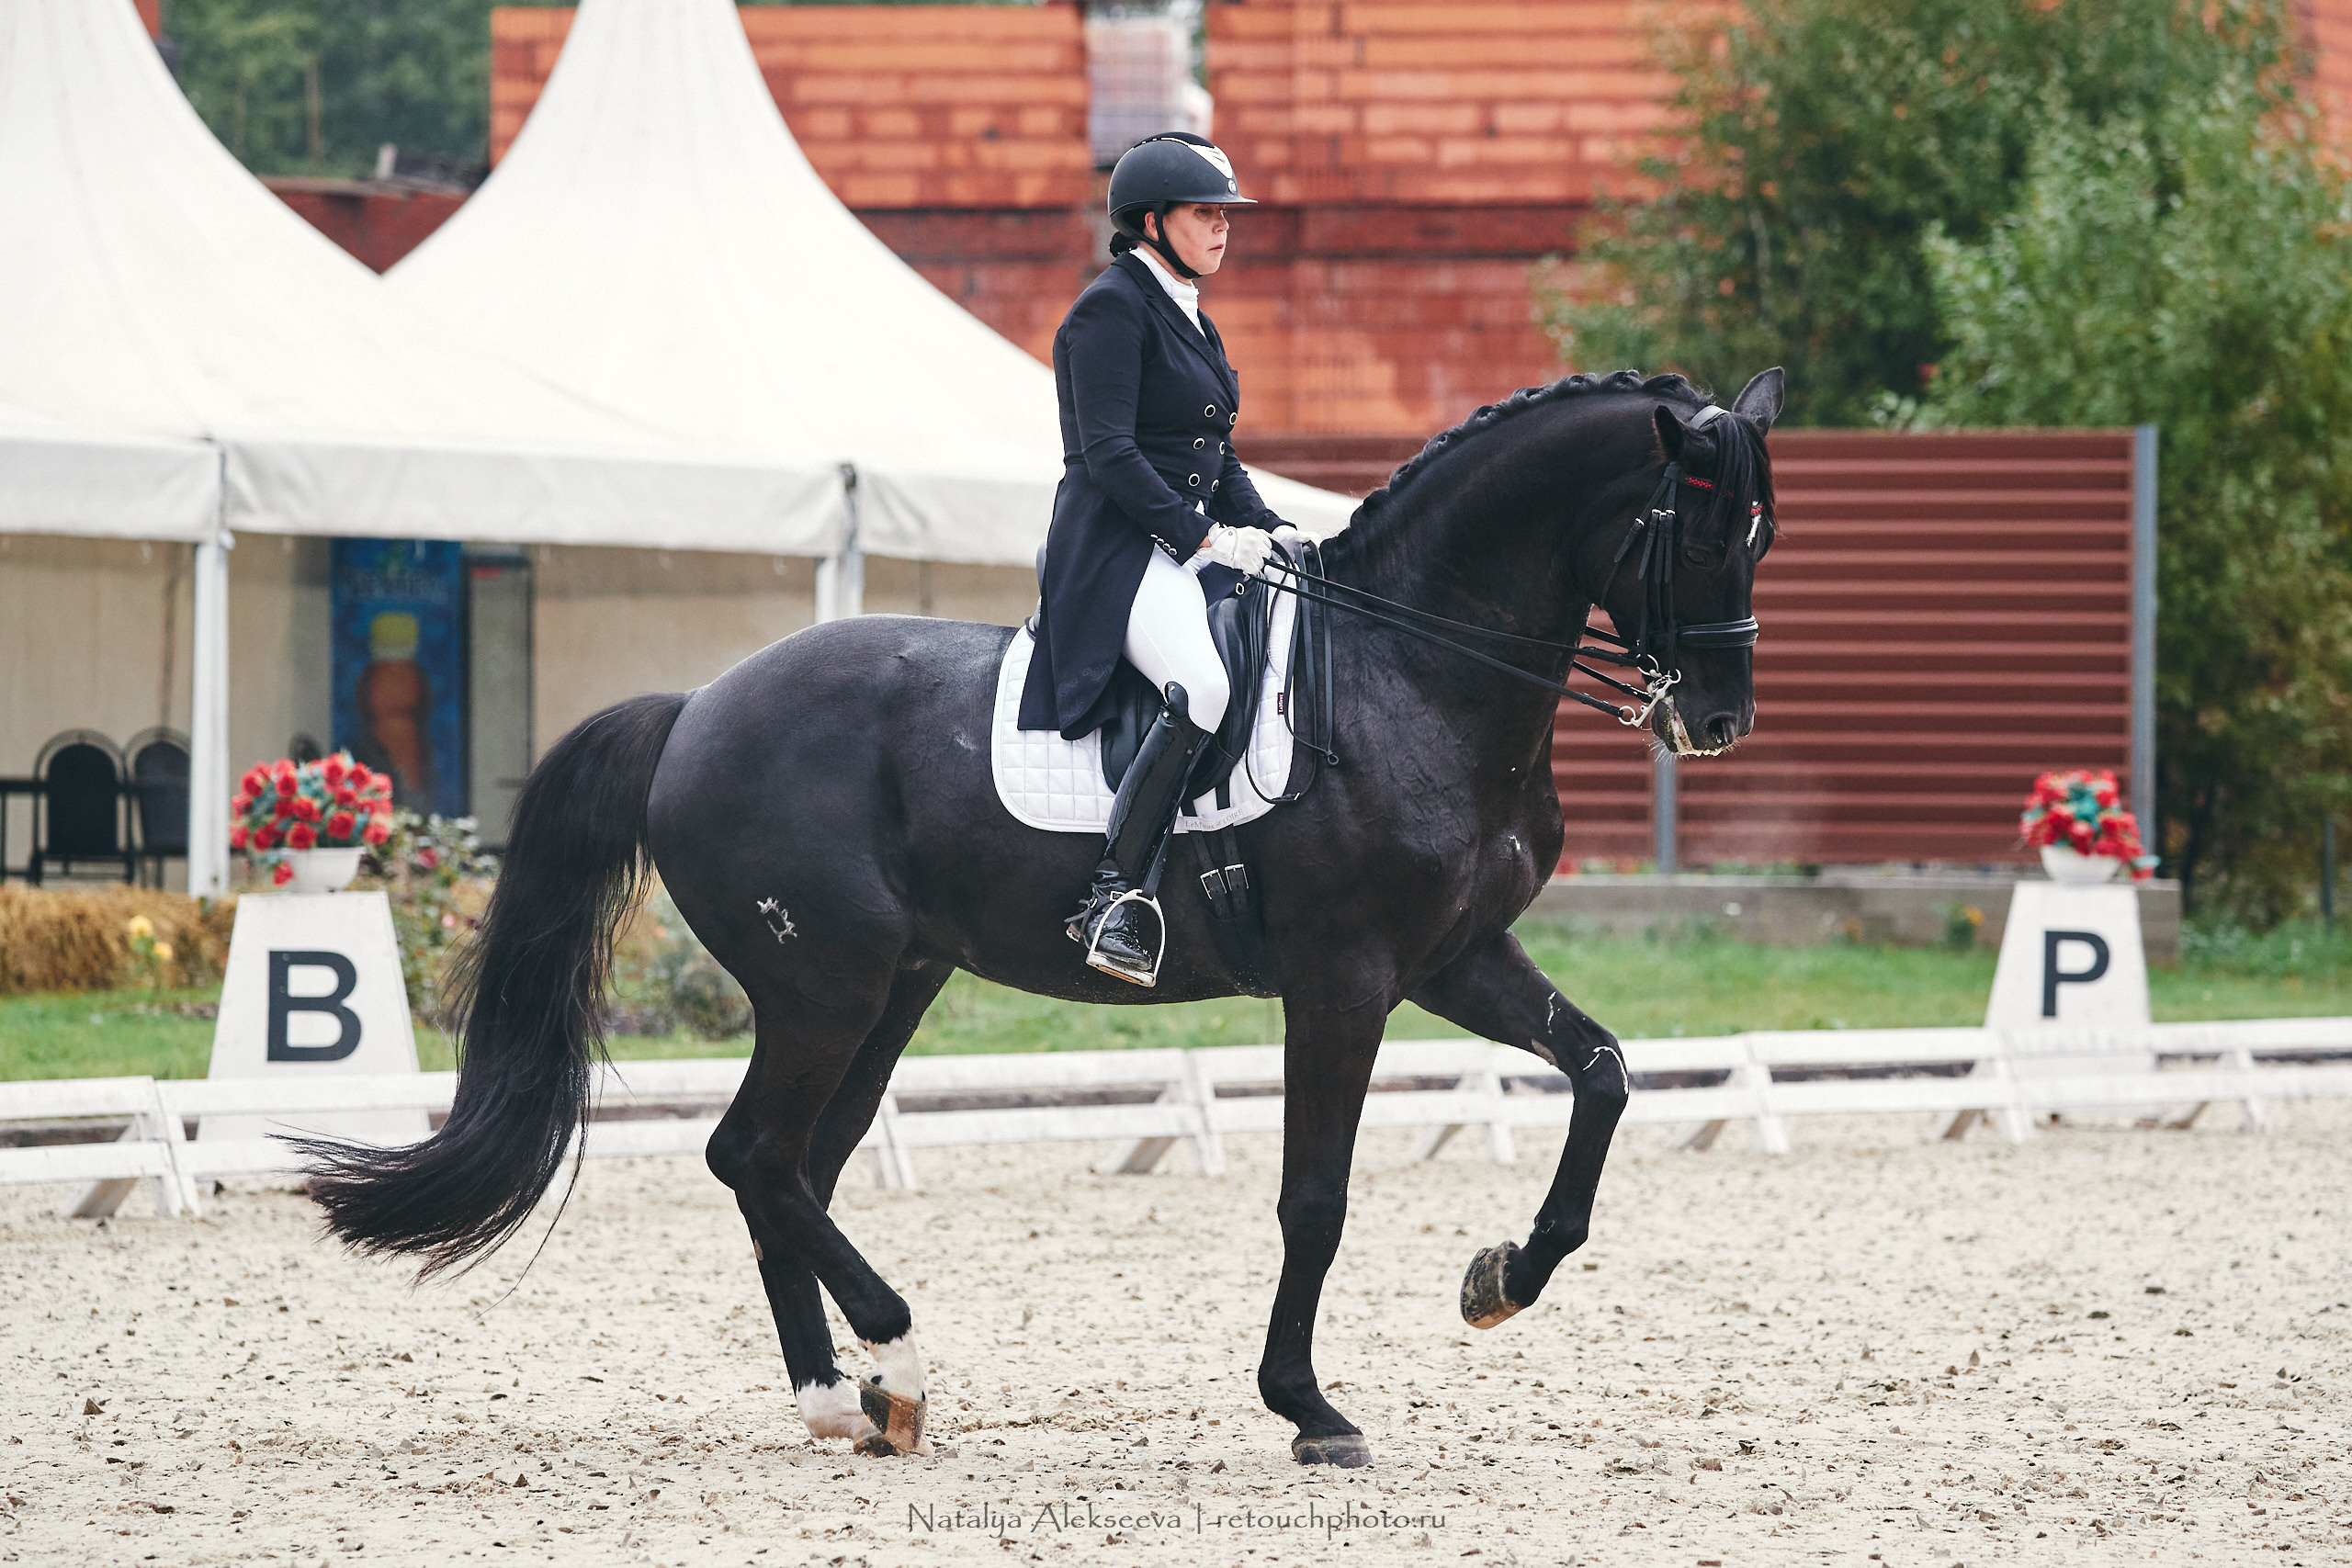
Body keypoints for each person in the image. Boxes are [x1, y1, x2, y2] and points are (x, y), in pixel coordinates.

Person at [1015, 131, 1294, 987]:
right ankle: (1111, 896)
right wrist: (1206, 537)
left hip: (1171, 545)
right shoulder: (1110, 309)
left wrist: (1275, 532)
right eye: (1205, 213)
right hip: (1114, 552)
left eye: (1224, 215)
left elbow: (1217, 455)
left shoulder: (1189, 313)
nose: (1222, 229)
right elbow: (1112, 455)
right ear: (1150, 221)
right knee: (1203, 686)